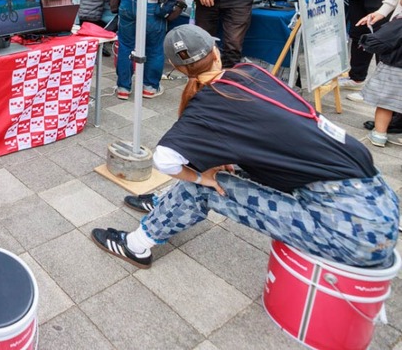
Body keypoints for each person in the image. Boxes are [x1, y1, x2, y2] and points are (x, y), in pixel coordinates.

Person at [91, 24, 398, 271]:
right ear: (215, 50)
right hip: (380, 205)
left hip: (351, 230)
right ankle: (163, 202)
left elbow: (165, 160)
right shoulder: (252, 73)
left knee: (202, 187)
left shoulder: (205, 108)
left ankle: (136, 245)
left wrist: (201, 178)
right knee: (219, 163)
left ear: (177, 69)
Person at [356, 0, 402, 147]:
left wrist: (366, 41)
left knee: (385, 102)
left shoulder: (398, 23)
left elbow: (380, 40)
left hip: (394, 68)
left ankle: (379, 134)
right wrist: (382, 12)